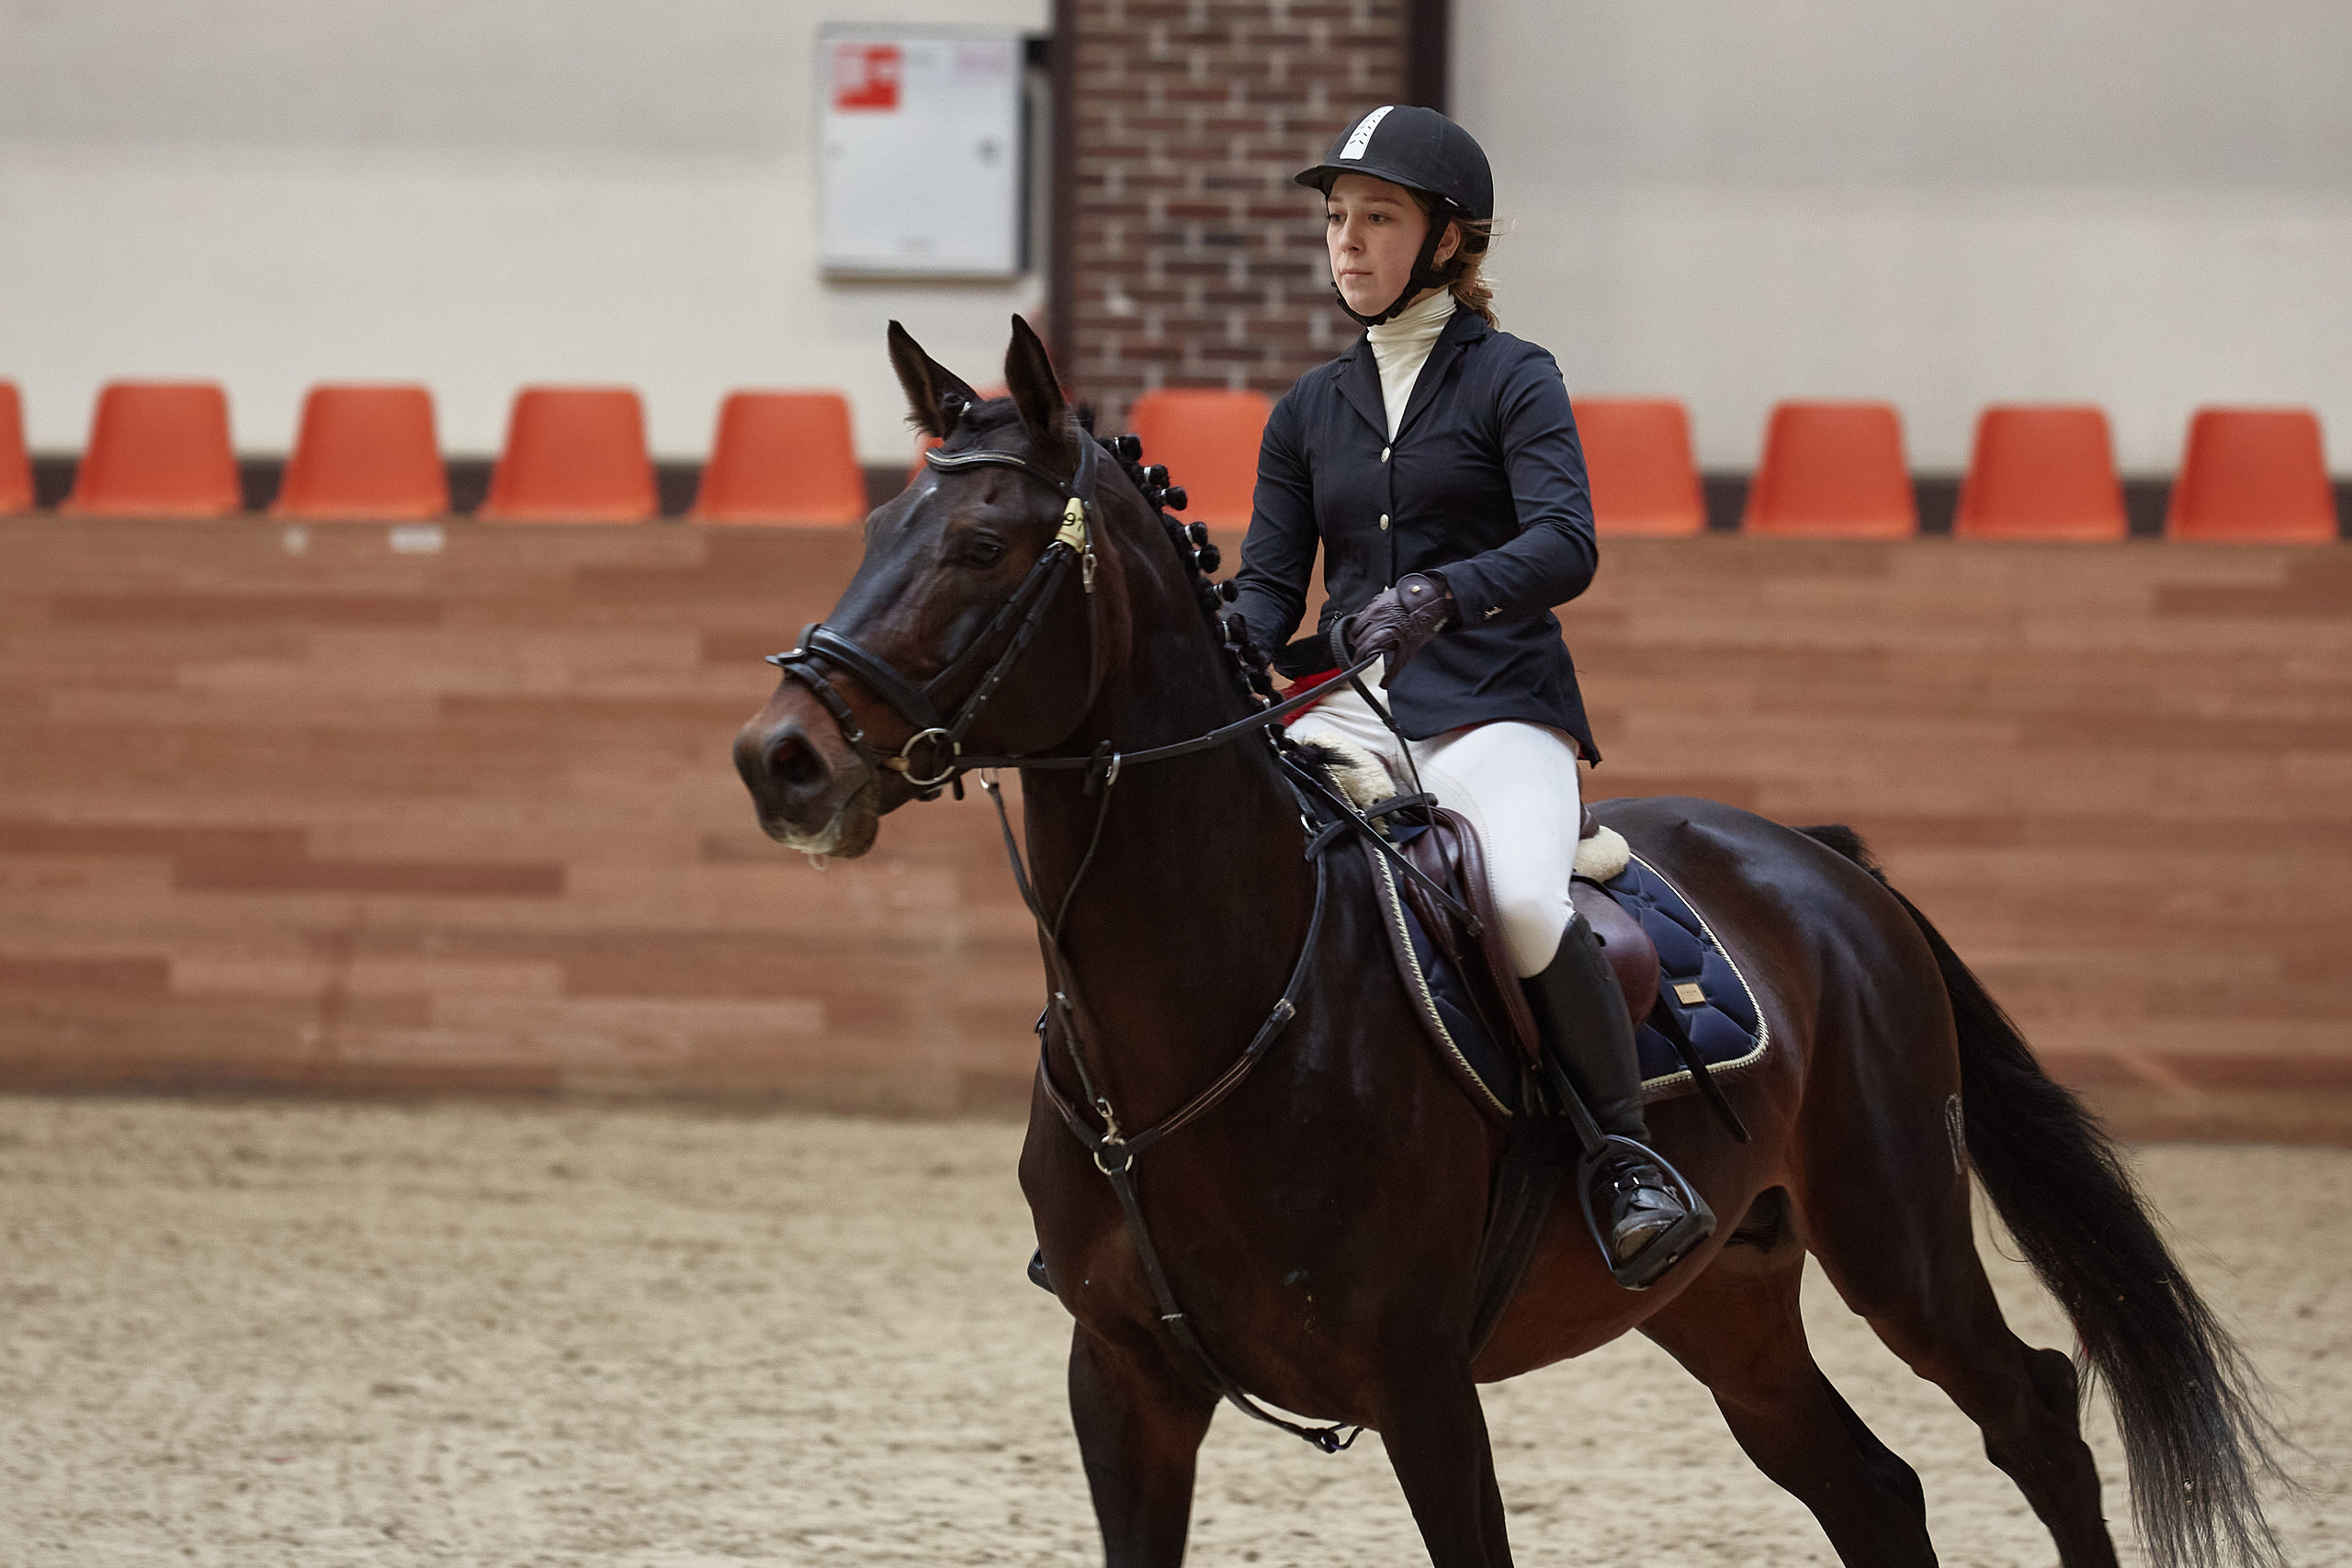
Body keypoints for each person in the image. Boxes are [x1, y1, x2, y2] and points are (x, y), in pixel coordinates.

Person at [1227, 104, 1706, 1280]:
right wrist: (1216, 658)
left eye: (1377, 219)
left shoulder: (1513, 378)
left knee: (1527, 909)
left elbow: (1565, 542)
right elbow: (1266, 591)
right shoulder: (1306, 411)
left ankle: (1626, 1158)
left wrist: (1441, 594)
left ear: (1449, 241)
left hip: (1494, 702)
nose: (1347, 242)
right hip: (1350, 709)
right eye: (1336, 219)